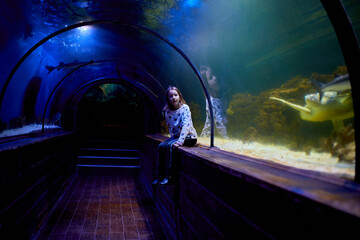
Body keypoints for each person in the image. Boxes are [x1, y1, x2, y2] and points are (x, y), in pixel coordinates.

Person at [152, 86, 198, 185]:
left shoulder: (185, 108)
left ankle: (171, 177)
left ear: (179, 96)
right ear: (167, 98)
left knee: (171, 146)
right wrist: (173, 137)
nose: (174, 98)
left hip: (189, 137)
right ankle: (160, 176)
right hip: (176, 137)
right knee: (161, 146)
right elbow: (170, 127)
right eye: (171, 96)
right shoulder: (167, 111)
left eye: (175, 95)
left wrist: (180, 141)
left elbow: (186, 125)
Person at [200, 65, 228, 138]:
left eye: (215, 75)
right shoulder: (211, 101)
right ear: (207, 84)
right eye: (210, 78)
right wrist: (227, 139)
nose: (215, 78)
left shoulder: (223, 99)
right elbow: (219, 124)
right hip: (209, 138)